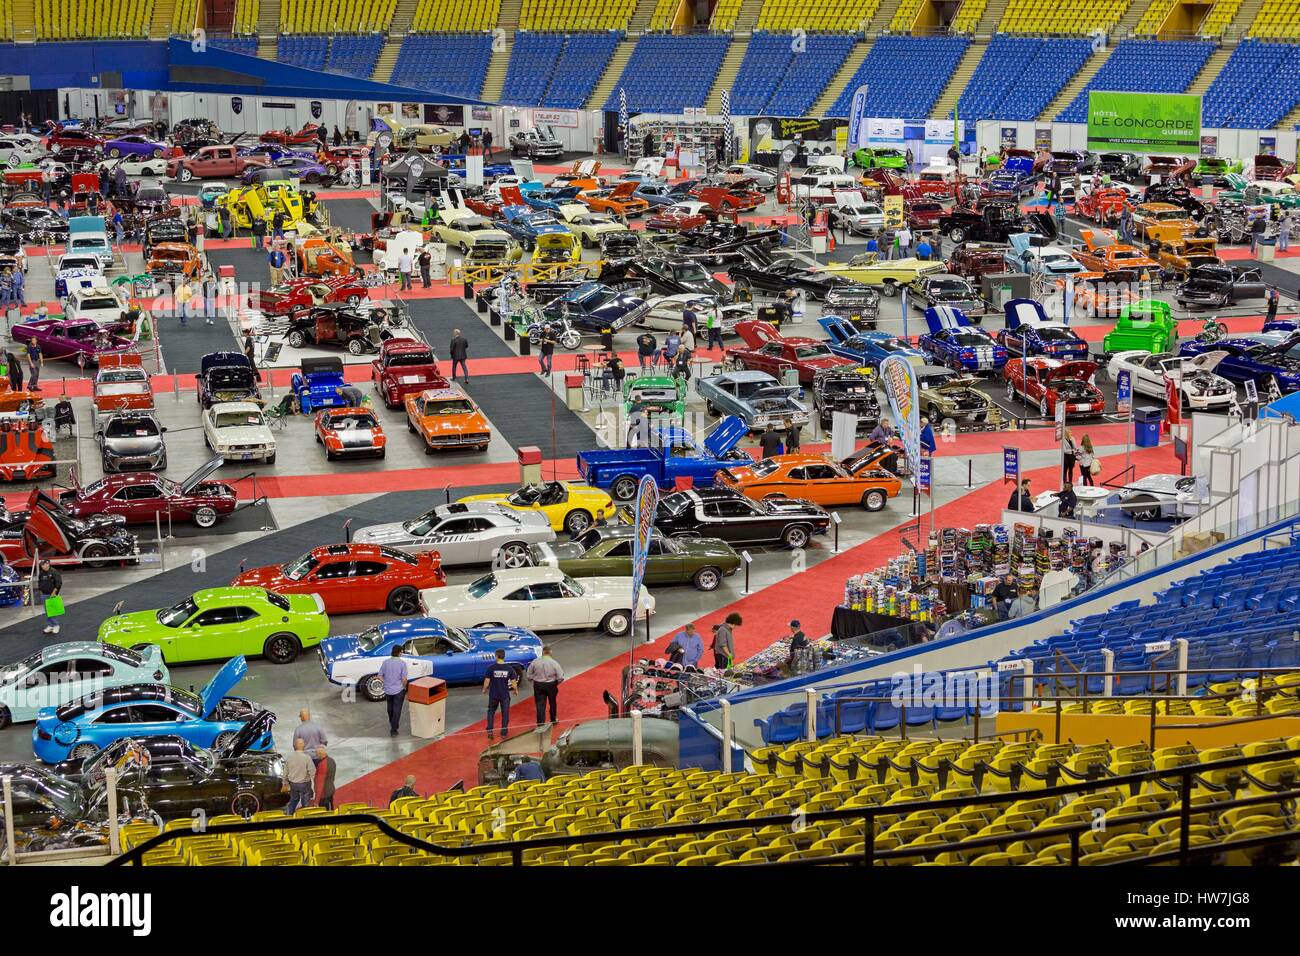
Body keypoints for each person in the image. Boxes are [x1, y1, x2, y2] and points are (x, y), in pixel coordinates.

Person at [524, 645, 564, 725]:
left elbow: (528, 674)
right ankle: (553, 719)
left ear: (542, 652)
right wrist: (555, 683)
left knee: (539, 704)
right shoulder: (554, 663)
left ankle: (540, 722)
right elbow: (560, 677)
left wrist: (534, 680)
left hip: (538, 685)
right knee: (552, 702)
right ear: (550, 652)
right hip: (551, 685)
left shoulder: (535, 661)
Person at [483, 649, 518, 740]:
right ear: (504, 656)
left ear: (497, 656)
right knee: (505, 714)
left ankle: (490, 730)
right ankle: (503, 733)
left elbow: (487, 681)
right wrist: (515, 690)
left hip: (494, 695)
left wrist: (484, 689)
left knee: (491, 712)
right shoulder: (509, 669)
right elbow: (513, 682)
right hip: (504, 695)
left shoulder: (491, 668)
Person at [379, 644, 408, 737]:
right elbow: (404, 679)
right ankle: (393, 729)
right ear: (400, 652)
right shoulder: (402, 663)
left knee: (390, 708)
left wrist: (385, 683)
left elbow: (379, 675)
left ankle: (392, 722)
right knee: (397, 710)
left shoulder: (385, 662)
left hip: (388, 690)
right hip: (399, 690)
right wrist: (404, 687)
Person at [283, 739, 315, 814]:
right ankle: (305, 817)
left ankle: (289, 815)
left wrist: (284, 782)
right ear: (300, 745)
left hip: (293, 784)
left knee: (293, 800)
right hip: (305, 784)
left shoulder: (289, 757)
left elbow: (285, 772)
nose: (304, 744)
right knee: (305, 802)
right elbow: (312, 772)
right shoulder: (307, 757)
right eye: (303, 743)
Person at [37, 558, 62, 634]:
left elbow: (59, 583)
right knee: (47, 611)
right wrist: (41, 590)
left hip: (52, 594)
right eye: (41, 565)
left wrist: (54, 593)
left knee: (52, 611)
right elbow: (40, 582)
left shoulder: (54, 572)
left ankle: (56, 625)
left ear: (48, 564)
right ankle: (50, 625)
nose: (42, 566)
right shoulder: (41, 573)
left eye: (43, 565)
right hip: (44, 594)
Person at [313, 746, 336, 810]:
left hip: (324, 794)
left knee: (324, 811)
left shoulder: (322, 765)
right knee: (331, 809)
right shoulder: (332, 760)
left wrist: (316, 801)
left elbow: (320, 784)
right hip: (330, 789)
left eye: (316, 754)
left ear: (320, 754)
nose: (316, 756)